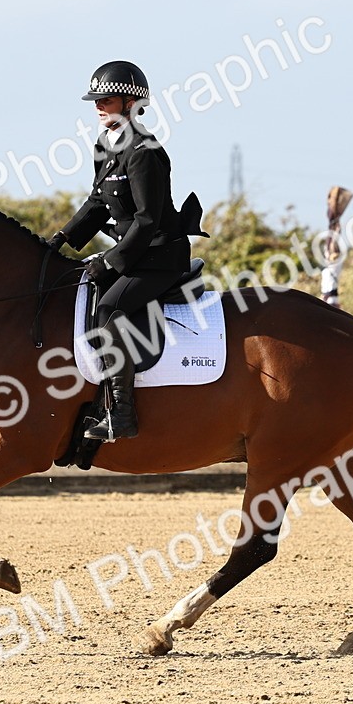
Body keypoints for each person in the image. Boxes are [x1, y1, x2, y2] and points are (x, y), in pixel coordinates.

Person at [49, 61, 205, 441]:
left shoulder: (144, 151)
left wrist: (110, 262)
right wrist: (59, 239)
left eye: (106, 98)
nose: (98, 105)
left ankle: (121, 414)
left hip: (158, 256)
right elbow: (97, 202)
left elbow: (148, 220)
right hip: (135, 253)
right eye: (95, 99)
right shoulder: (106, 145)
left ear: (131, 102)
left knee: (108, 309)